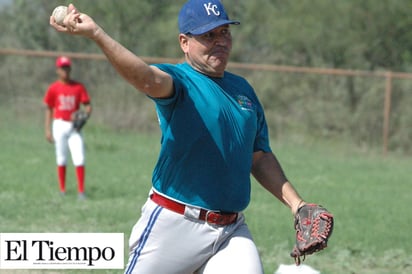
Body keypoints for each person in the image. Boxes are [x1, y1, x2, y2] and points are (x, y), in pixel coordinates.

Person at [50, 1, 309, 273]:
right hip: (175, 223)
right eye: (209, 35)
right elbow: (147, 78)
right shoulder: (180, 80)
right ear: (184, 42)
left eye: (225, 32)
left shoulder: (243, 90)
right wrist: (97, 34)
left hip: (230, 231)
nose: (220, 41)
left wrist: (297, 204)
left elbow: (259, 157)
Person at [43, 56, 92, 199]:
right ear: (57, 70)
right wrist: (47, 129)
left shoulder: (78, 87)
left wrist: (85, 116)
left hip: (74, 127)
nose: (65, 70)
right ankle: (62, 190)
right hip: (59, 124)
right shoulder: (54, 88)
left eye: (67, 67)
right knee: (61, 158)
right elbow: (49, 108)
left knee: (79, 158)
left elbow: (88, 106)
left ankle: (81, 191)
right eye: (62, 68)